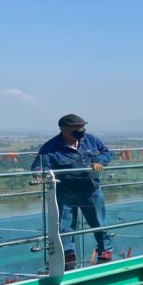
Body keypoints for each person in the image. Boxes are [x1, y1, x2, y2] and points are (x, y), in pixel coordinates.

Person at [32, 114, 114, 269]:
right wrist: (39, 174)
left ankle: (105, 251)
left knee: (98, 221)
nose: (82, 130)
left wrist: (99, 161)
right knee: (65, 225)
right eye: (77, 128)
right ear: (64, 129)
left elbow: (107, 153)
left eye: (83, 127)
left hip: (90, 189)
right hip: (65, 191)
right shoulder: (51, 147)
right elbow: (38, 166)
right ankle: (68, 255)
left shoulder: (91, 140)